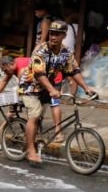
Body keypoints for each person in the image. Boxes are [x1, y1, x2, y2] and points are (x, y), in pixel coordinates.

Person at [17, 20, 97, 164]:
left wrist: (86, 88)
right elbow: (39, 74)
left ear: (64, 36)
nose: (53, 37)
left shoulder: (66, 52)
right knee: (34, 115)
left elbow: (74, 70)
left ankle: (28, 142)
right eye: (51, 34)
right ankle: (30, 150)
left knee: (40, 117)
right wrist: (52, 89)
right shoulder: (40, 50)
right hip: (29, 86)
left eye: (57, 34)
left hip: (47, 87)